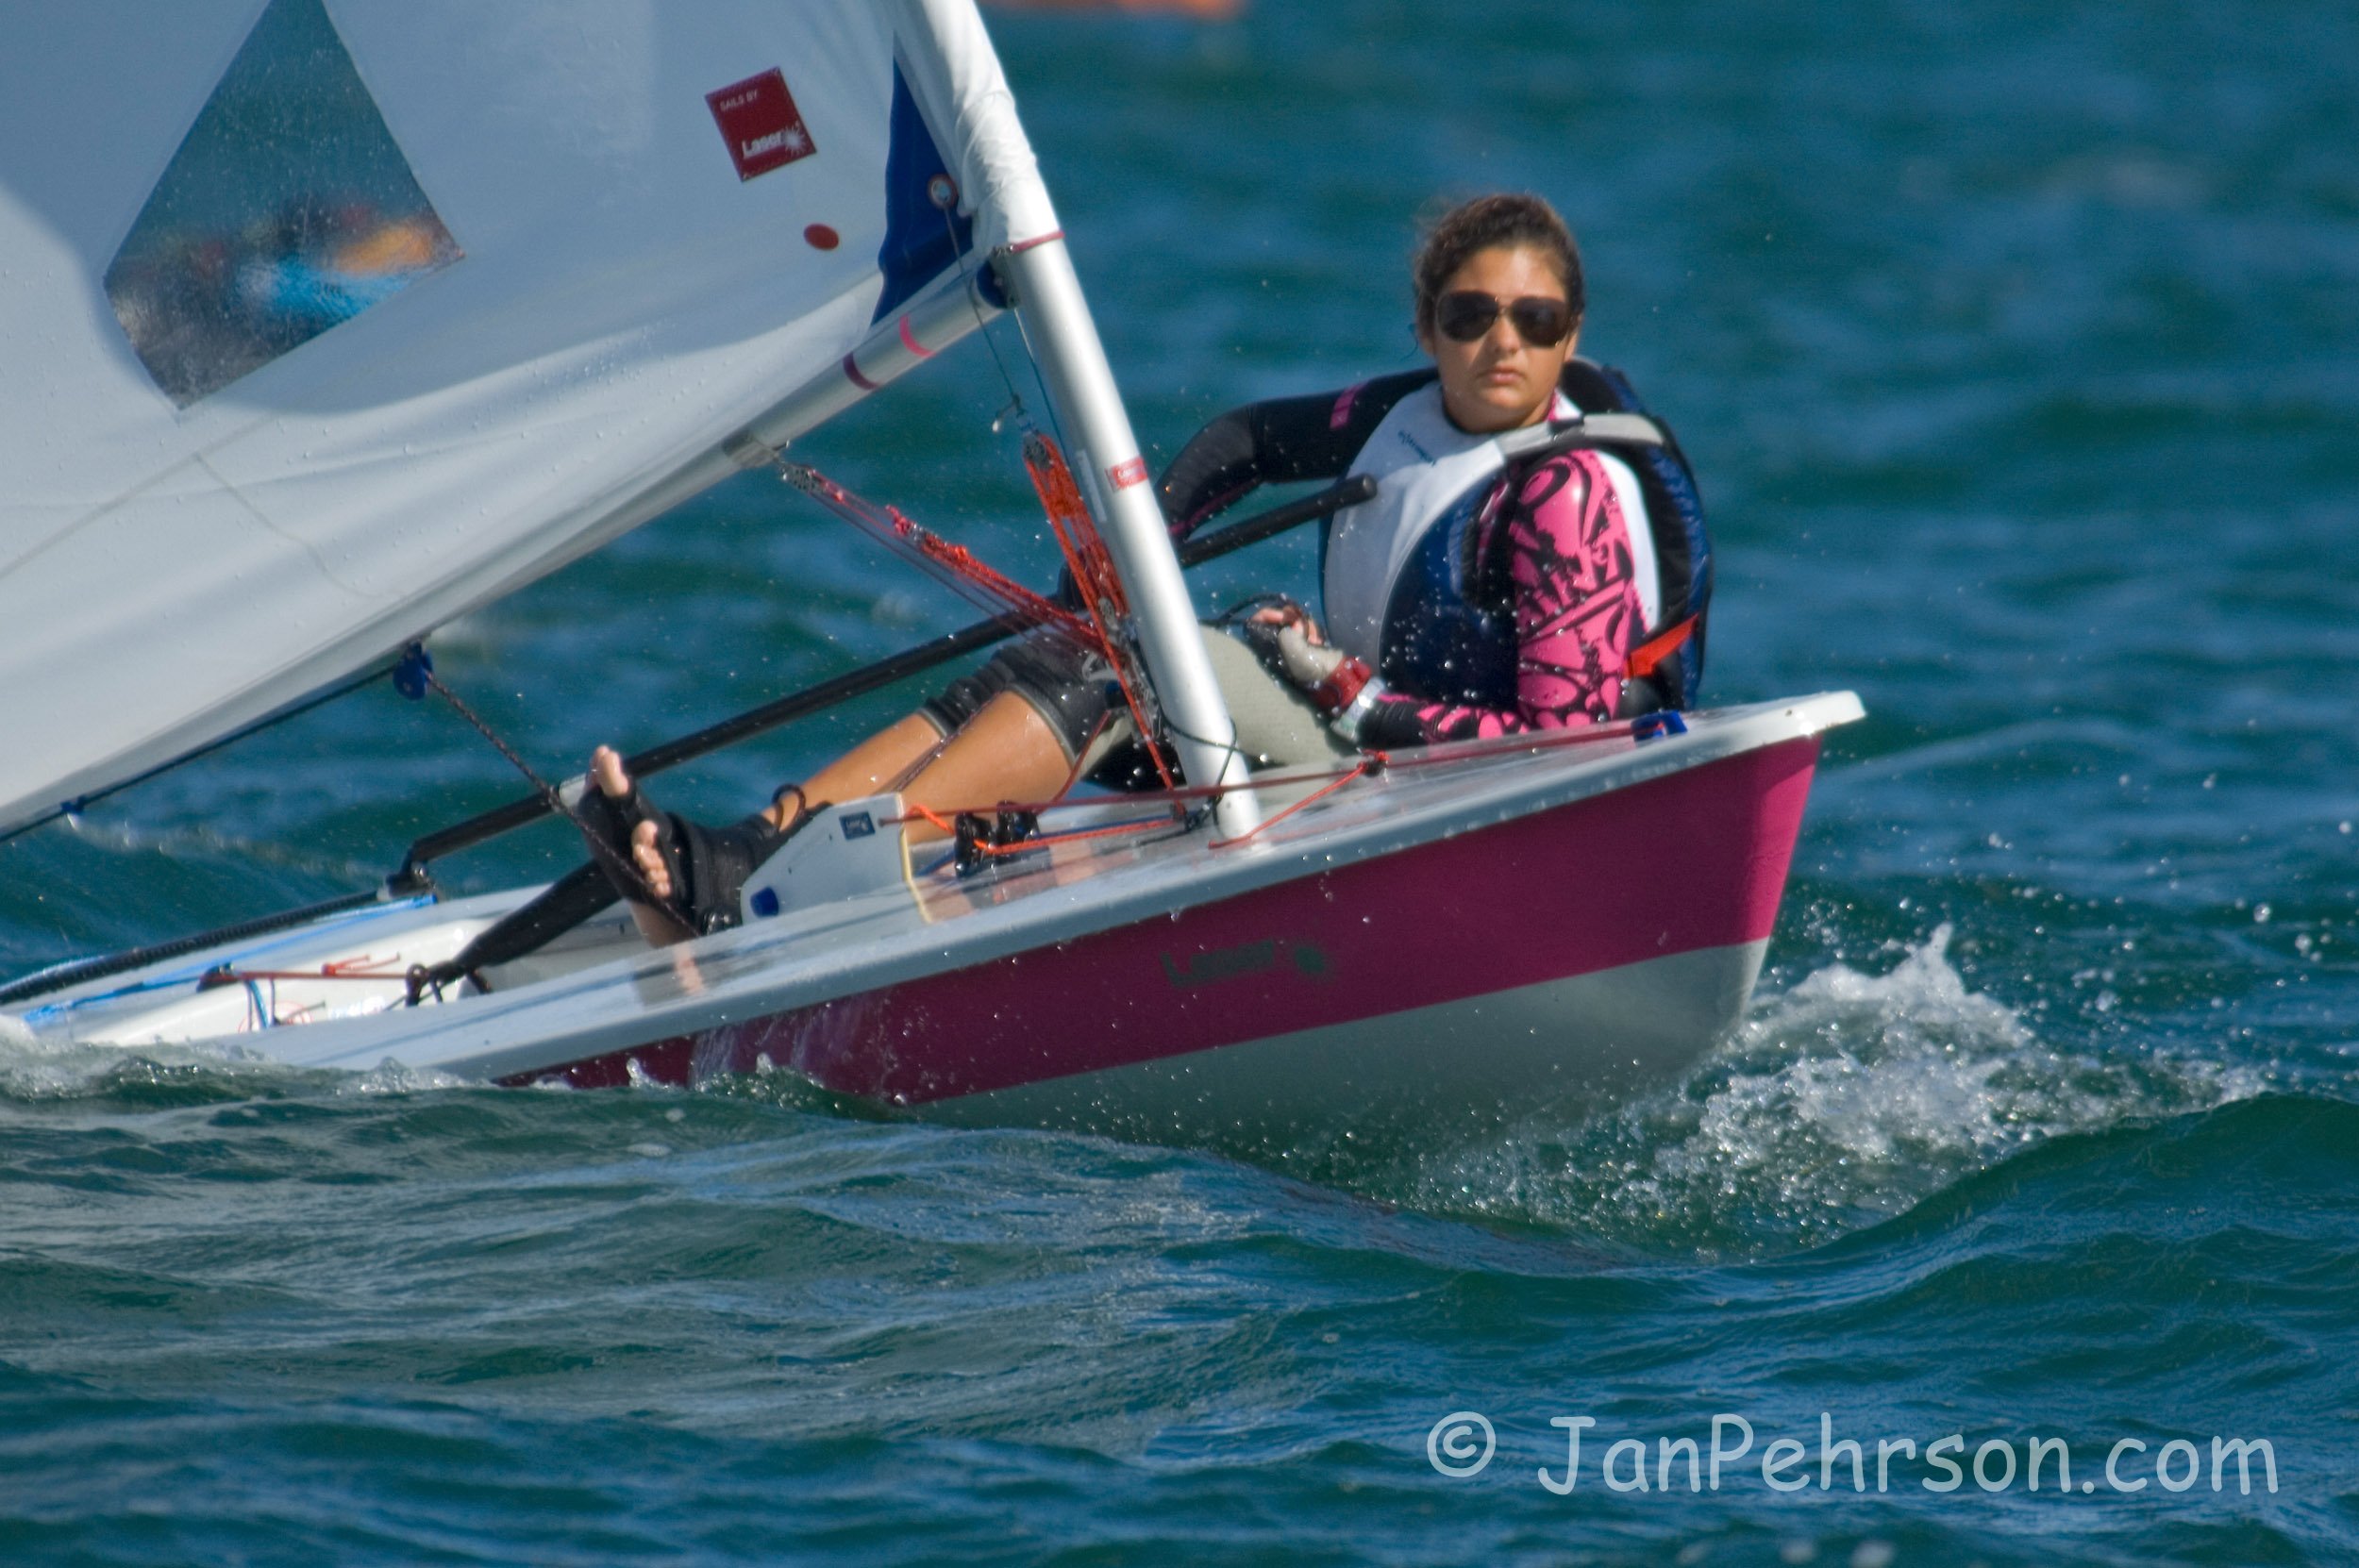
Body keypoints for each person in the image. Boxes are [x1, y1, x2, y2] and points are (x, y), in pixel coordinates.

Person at [583, 192, 1707, 945]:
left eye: (1533, 318)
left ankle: (768, 881)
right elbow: (1237, 444)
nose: (1500, 343)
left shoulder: (1563, 499)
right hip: (1360, 779)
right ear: (1426, 327)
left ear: (1570, 334)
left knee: (1132, 670)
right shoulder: (1395, 416)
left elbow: (1566, 749)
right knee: (1073, 661)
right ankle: (749, 849)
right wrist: (1109, 590)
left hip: (1468, 822)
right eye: (1471, 316)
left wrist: (1350, 693)